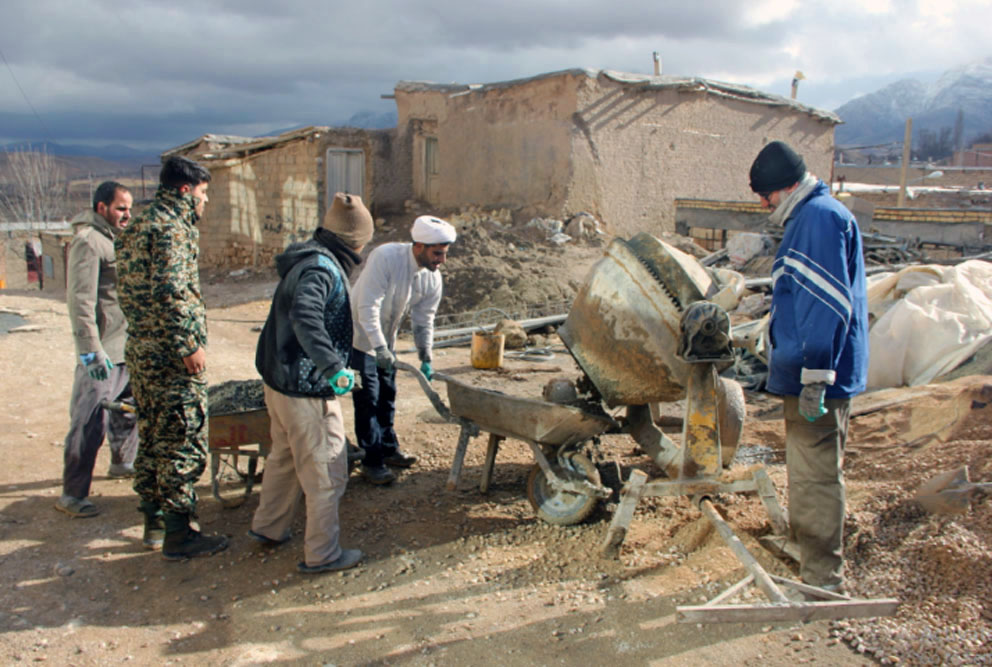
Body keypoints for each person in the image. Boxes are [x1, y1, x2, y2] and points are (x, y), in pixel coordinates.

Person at [748, 141, 869, 593]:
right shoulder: (815, 216)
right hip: (812, 371)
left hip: (817, 378)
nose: (763, 204)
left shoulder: (818, 219)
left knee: (816, 475)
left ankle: (822, 580)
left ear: (789, 186)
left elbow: (825, 305)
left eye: (767, 195)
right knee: (808, 468)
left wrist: (817, 375)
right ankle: (808, 552)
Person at [249, 192, 373, 573]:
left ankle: (269, 528)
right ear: (357, 241)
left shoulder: (306, 258)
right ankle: (322, 554)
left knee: (284, 458)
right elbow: (306, 316)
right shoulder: (322, 269)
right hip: (304, 389)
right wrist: (334, 367)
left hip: (280, 383)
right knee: (326, 471)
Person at [115, 155, 228, 560]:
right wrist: (188, 345)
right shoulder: (171, 228)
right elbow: (171, 290)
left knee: (153, 435)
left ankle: (155, 521)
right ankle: (182, 535)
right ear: (185, 191)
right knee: (182, 438)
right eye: (202, 193)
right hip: (170, 356)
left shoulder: (138, 225)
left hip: (142, 351)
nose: (205, 202)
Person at [350, 215, 456, 485]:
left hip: (386, 342)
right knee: (368, 399)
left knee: (388, 394)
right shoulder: (386, 257)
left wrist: (426, 356)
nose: (441, 260)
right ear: (419, 246)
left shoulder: (431, 278)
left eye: (444, 254)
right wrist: (378, 347)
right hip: (359, 338)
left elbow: (424, 319)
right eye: (437, 253)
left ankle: (388, 449)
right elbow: (367, 307)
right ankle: (371, 462)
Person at [55, 182, 139, 519]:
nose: (127, 215)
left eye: (129, 209)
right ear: (102, 207)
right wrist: (91, 352)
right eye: (121, 208)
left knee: (128, 409)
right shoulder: (89, 242)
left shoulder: (113, 240)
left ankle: (122, 461)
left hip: (125, 345)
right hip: (103, 350)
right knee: (90, 419)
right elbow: (80, 301)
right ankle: (73, 493)